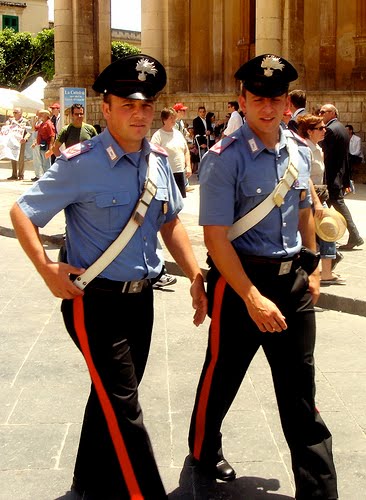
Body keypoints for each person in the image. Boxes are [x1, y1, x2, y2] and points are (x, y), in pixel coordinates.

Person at [9, 53, 207, 500]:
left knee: (111, 396)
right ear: (107, 107)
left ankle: (86, 483)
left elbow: (169, 221)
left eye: (145, 105)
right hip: (93, 303)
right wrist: (46, 268)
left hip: (141, 300)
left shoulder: (156, 160)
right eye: (127, 105)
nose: (138, 114)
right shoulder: (82, 162)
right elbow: (22, 212)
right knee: (125, 410)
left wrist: (195, 275)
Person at [188, 54, 338, 500]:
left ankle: (319, 491)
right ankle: (202, 450)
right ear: (242, 101)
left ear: (288, 102)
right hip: (239, 286)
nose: (267, 108)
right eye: (257, 99)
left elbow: (305, 210)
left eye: (276, 99)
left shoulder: (296, 150)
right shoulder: (223, 158)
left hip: (291, 285)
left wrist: (311, 265)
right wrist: (251, 296)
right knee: (223, 376)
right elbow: (215, 239)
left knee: (300, 389)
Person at [297, 114, 346, 284]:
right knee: (320, 233)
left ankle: (323, 271)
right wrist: (317, 202)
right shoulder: (305, 149)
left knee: (324, 233)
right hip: (310, 198)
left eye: (324, 127)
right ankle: (319, 272)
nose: (325, 130)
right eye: (320, 128)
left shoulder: (318, 148)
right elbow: (306, 177)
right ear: (309, 131)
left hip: (319, 196)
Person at [319, 104, 364, 250]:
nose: (320, 114)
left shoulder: (331, 130)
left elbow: (326, 155)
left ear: (332, 113)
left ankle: (355, 236)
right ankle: (322, 237)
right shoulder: (341, 128)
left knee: (337, 205)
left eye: (323, 112)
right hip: (338, 175)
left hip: (332, 176)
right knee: (330, 206)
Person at [151, 107, 192, 198]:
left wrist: (188, 166)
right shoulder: (158, 136)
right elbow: (153, 155)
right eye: (171, 118)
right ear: (164, 120)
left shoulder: (178, 134)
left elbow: (186, 151)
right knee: (168, 202)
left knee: (179, 201)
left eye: (174, 118)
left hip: (179, 172)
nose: (174, 120)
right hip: (166, 173)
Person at [7, 108, 31, 180]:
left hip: (21, 141)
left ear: (20, 113)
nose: (14, 114)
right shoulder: (12, 121)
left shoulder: (25, 121)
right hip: (13, 141)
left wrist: (25, 138)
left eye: (16, 112)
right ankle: (14, 174)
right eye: (13, 112)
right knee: (13, 157)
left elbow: (29, 131)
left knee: (21, 158)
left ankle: (21, 174)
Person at [35, 109, 55, 175]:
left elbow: (52, 135)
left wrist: (50, 147)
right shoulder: (43, 123)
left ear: (46, 115)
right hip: (42, 144)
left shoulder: (48, 124)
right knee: (43, 162)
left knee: (46, 162)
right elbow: (34, 128)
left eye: (42, 114)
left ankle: (48, 176)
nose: (40, 116)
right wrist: (35, 121)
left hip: (46, 144)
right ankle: (45, 175)